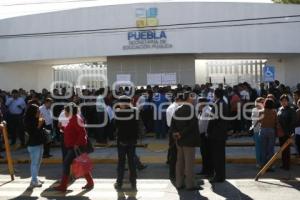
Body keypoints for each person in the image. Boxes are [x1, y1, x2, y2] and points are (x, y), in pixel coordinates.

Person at [55, 103, 94, 192]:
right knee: (81, 164)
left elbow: (83, 133)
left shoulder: (76, 119)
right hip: (74, 146)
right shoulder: (73, 118)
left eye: (65, 111)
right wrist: (64, 129)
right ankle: (90, 182)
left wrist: (77, 144)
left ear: (70, 111)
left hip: (75, 147)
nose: (64, 112)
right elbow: (73, 131)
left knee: (66, 163)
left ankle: (63, 186)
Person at [170, 92, 201, 190]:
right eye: (192, 97)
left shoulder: (178, 109)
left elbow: (172, 124)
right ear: (188, 99)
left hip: (179, 141)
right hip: (189, 141)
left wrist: (176, 133)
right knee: (189, 164)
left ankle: (179, 183)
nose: (194, 99)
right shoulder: (192, 110)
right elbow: (192, 126)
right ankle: (190, 184)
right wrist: (181, 134)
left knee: (180, 163)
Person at [114, 96, 140, 191]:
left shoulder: (119, 112)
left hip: (122, 140)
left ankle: (119, 182)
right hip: (132, 140)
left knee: (121, 162)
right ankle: (133, 183)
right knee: (131, 162)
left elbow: (116, 125)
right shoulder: (135, 111)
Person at [207, 88, 228, 183]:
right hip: (221, 133)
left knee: (217, 156)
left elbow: (213, 120)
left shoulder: (217, 104)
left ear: (216, 95)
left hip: (216, 134)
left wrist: (208, 131)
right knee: (220, 156)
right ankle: (221, 175)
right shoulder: (223, 103)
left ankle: (218, 176)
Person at [24, 104, 44, 188]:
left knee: (38, 162)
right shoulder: (28, 121)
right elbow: (33, 134)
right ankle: (33, 181)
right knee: (34, 163)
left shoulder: (36, 119)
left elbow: (41, 129)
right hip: (33, 144)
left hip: (39, 143)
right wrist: (39, 124)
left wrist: (41, 121)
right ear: (33, 112)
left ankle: (35, 177)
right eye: (37, 111)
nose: (39, 112)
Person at [277, 94, 296, 170]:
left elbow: (293, 122)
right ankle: (284, 164)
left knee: (287, 150)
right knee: (282, 149)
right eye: (282, 101)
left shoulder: (291, 110)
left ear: (288, 101)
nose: (284, 102)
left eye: (285, 101)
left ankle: (287, 165)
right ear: (280, 102)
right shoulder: (279, 109)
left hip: (287, 133)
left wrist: (291, 133)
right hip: (280, 133)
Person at [259, 98, 277, 168]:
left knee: (263, 149)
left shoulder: (261, 111)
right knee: (270, 149)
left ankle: (263, 165)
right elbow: (276, 122)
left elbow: (259, 121)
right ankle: (270, 165)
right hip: (271, 130)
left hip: (263, 130)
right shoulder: (274, 112)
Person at [197, 97, 213, 177]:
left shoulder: (207, 110)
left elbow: (203, 125)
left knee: (206, 154)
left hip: (205, 135)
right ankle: (205, 170)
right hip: (203, 135)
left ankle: (208, 171)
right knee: (204, 154)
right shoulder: (204, 110)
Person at [251, 97, 264, 168]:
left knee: (262, 148)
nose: (262, 104)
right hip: (257, 130)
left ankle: (262, 162)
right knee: (259, 148)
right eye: (261, 102)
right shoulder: (255, 110)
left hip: (261, 130)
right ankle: (259, 163)